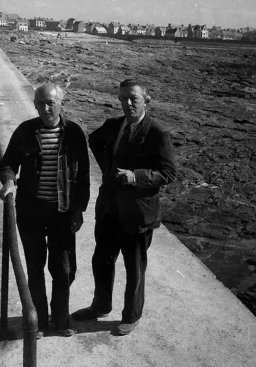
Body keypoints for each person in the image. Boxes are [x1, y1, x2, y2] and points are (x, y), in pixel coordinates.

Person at [72, 79, 177, 335]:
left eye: (133, 98)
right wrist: (108, 170)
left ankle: (131, 316)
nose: (127, 104)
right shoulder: (113, 125)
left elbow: (169, 173)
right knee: (102, 261)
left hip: (138, 214)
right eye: (123, 99)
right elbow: (94, 141)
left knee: (135, 268)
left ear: (146, 100)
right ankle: (100, 306)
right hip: (109, 210)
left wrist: (136, 177)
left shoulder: (157, 132)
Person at [0, 83, 90, 338]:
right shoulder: (25, 131)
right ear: (35, 104)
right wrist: (9, 180)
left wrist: (78, 210)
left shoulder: (73, 132)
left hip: (62, 213)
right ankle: (38, 322)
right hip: (31, 212)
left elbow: (83, 177)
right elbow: (7, 164)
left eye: (51, 103)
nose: (45, 108)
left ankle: (61, 320)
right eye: (40, 103)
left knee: (63, 269)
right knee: (35, 267)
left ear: (62, 103)